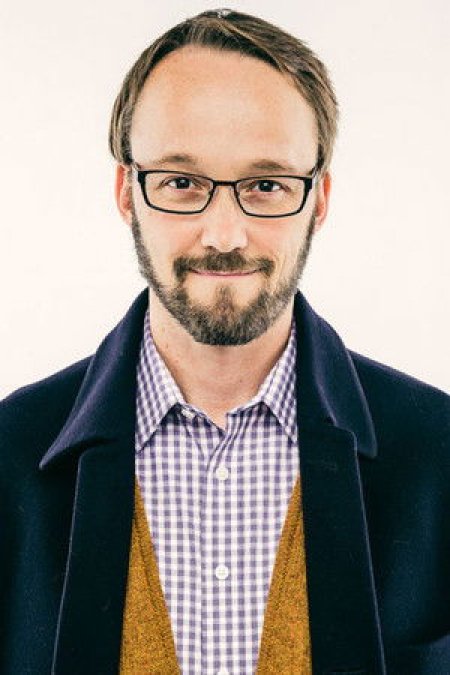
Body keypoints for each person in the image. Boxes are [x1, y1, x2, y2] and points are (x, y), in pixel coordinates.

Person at [1, 8, 449, 675]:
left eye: (266, 185)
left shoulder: (439, 453)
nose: (224, 234)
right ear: (127, 192)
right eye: (182, 183)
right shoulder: (10, 454)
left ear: (319, 200)